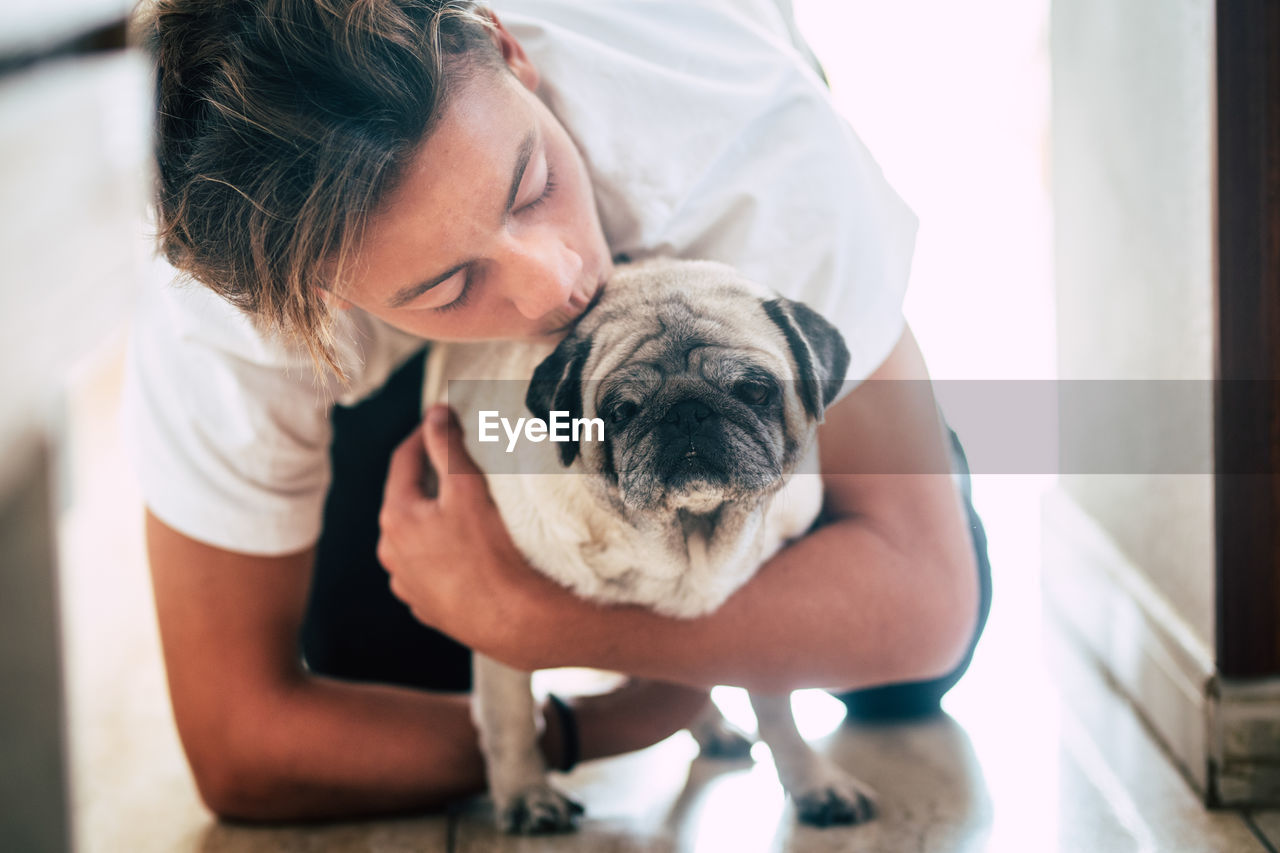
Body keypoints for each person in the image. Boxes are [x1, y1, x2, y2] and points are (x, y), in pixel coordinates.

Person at [124, 0, 991, 822]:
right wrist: (604, 724)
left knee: (897, 680)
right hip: (467, 400)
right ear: (317, 302)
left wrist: (543, 620)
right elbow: (243, 744)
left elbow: (926, 602)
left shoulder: (753, 153)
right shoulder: (223, 327)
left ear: (509, 51)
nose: (558, 281)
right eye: (451, 284)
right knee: (388, 653)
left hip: (729, 269)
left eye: (533, 184)